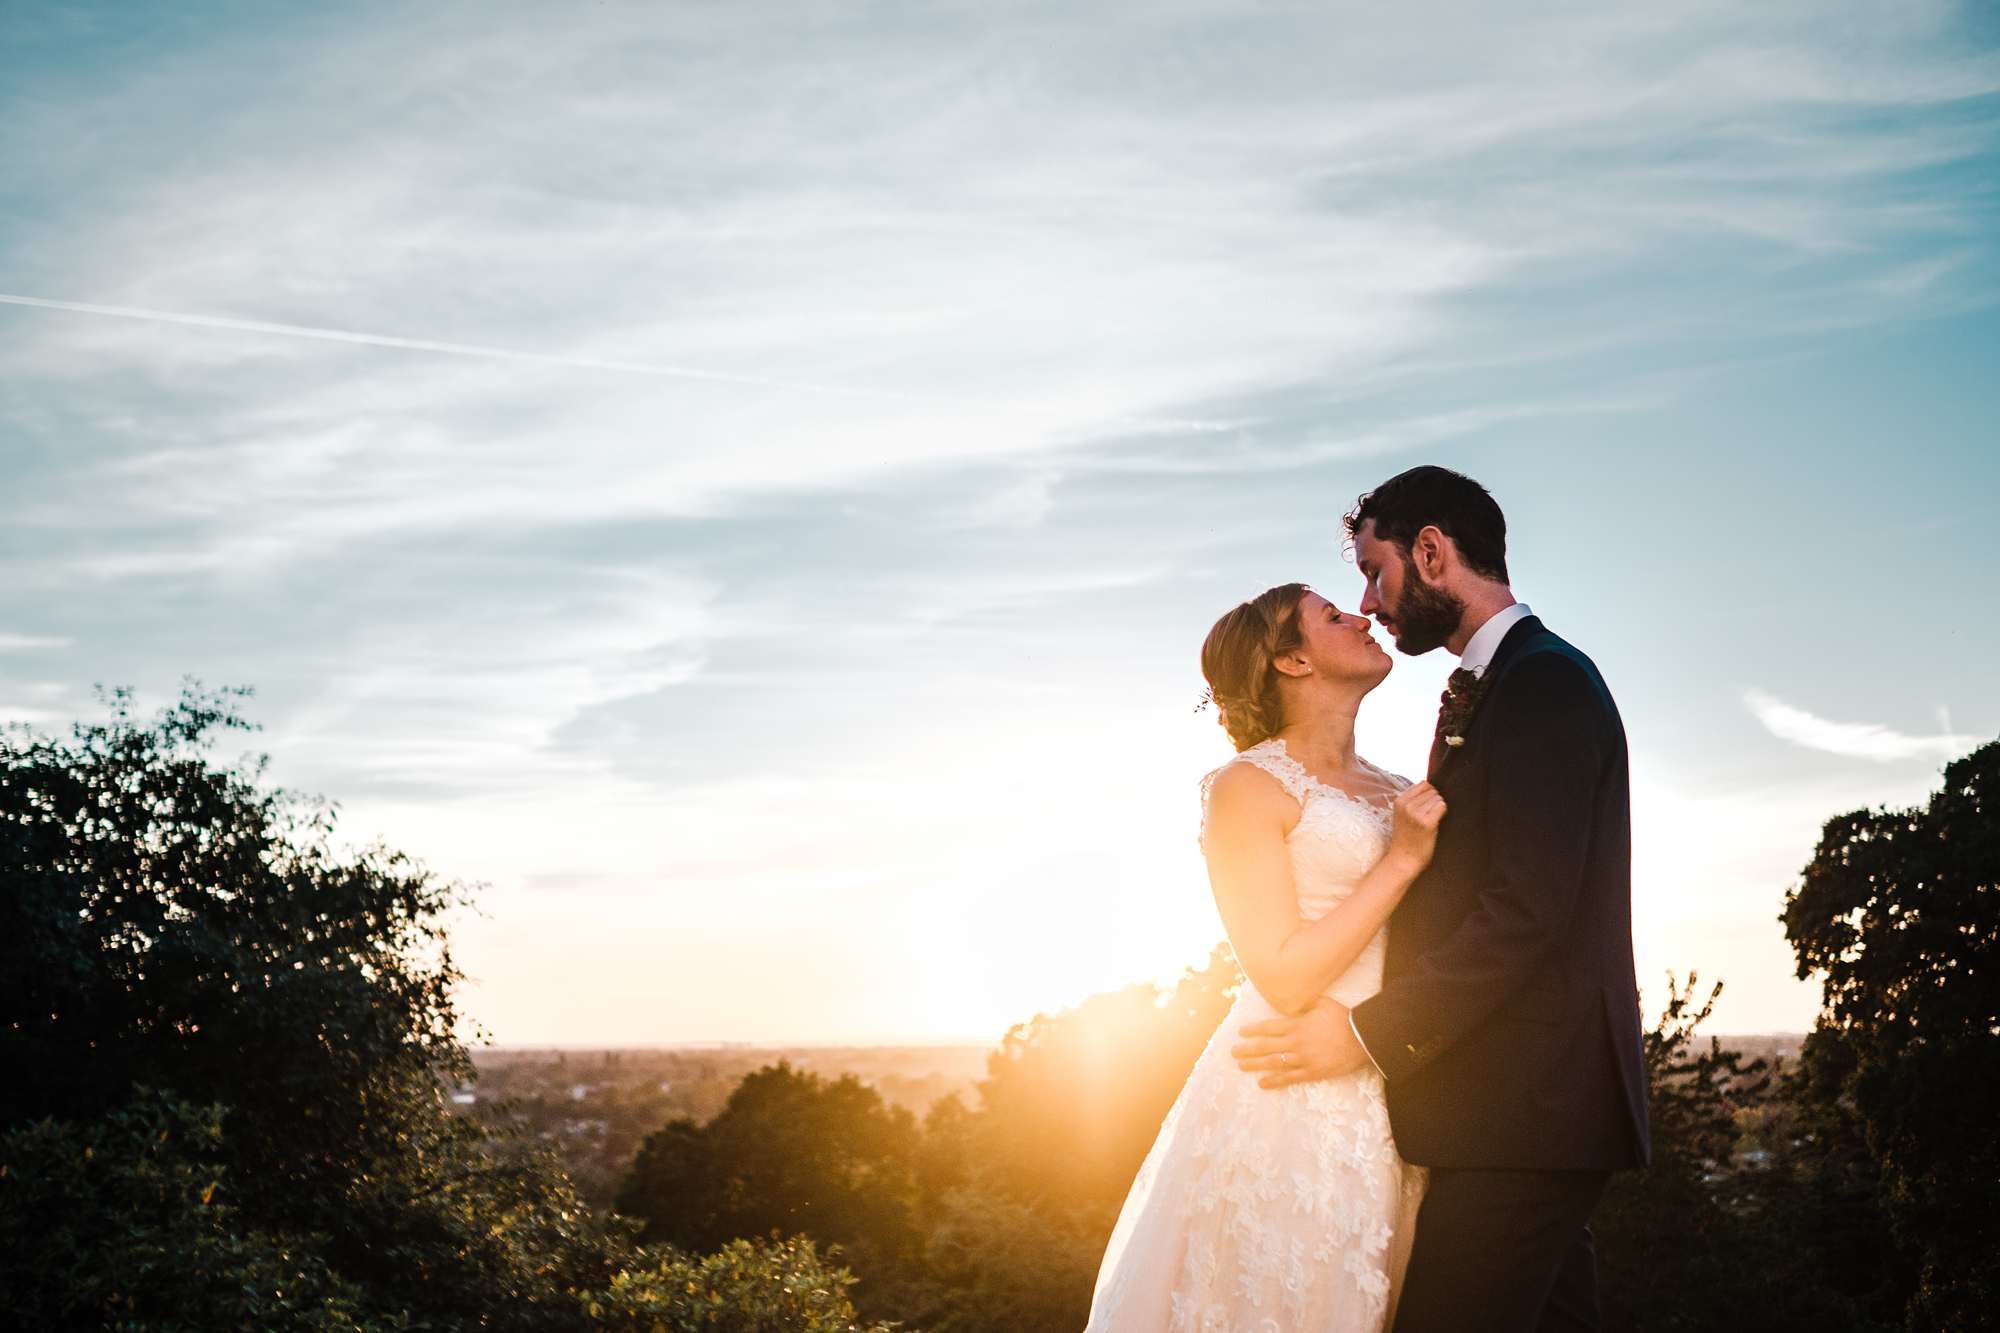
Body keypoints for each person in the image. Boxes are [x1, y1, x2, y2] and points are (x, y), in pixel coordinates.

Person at [1230, 466, 1651, 1332]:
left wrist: (1361, 1033)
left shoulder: (1544, 683)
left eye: (1376, 573)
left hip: (1528, 1113)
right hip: (1506, 1109)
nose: (1372, 603)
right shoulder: (1497, 687)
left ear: (1430, 552)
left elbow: (1526, 911)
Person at [1085, 582, 1446, 1332]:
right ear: (1291, 660)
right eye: (1332, 616)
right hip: (1286, 1094)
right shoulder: (1246, 787)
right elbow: (1280, 972)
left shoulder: (1402, 786)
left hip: (1387, 1085)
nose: (1362, 616)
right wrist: (1402, 862)